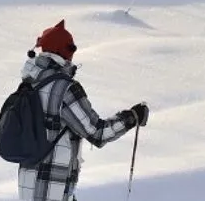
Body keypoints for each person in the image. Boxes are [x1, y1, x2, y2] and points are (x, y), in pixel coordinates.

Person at [17, 20, 149, 201]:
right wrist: (132, 117)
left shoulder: (28, 83)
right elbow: (98, 133)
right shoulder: (64, 88)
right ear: (65, 53)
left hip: (28, 186)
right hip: (51, 189)